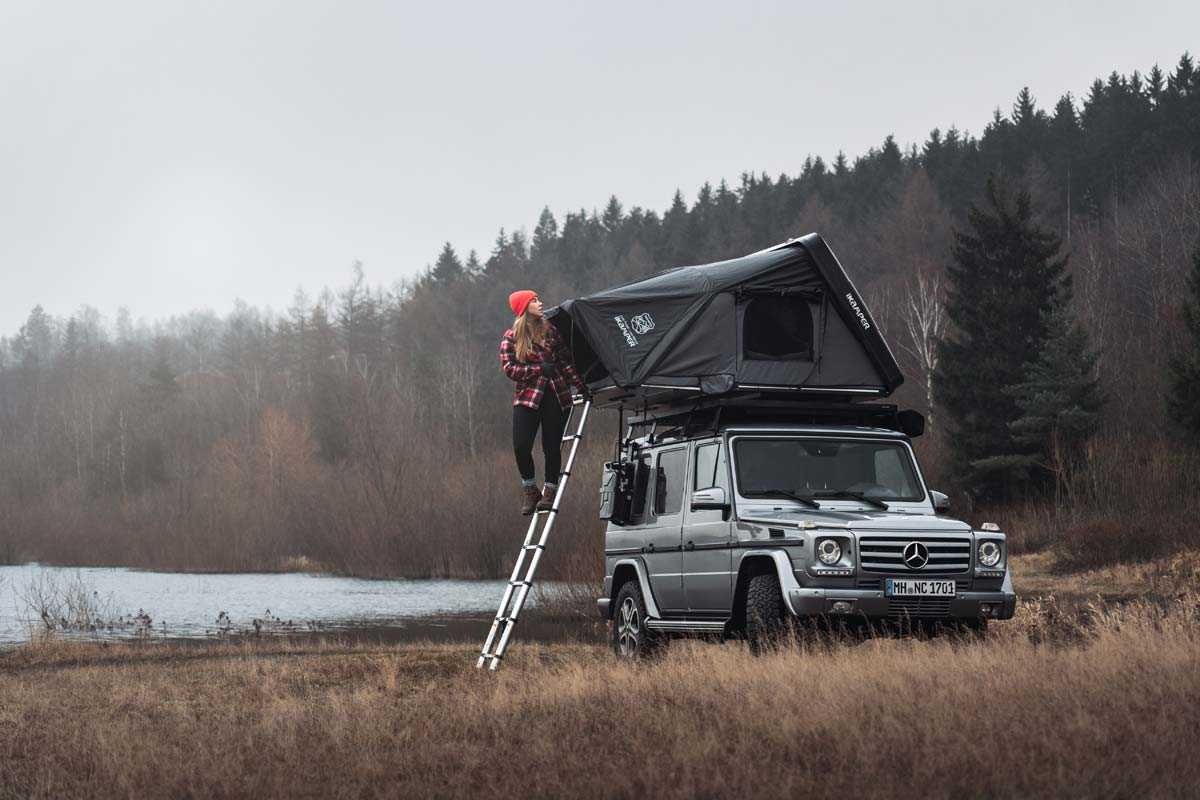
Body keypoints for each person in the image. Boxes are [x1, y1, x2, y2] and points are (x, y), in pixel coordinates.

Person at [499, 289, 587, 515]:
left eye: (538, 299)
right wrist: (538, 369)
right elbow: (510, 369)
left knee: (551, 446)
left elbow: (566, 362)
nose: (540, 303)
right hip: (527, 398)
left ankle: (549, 491)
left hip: (556, 395)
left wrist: (580, 385)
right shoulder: (511, 337)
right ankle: (530, 490)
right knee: (521, 446)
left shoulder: (551, 331)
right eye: (534, 300)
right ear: (524, 306)